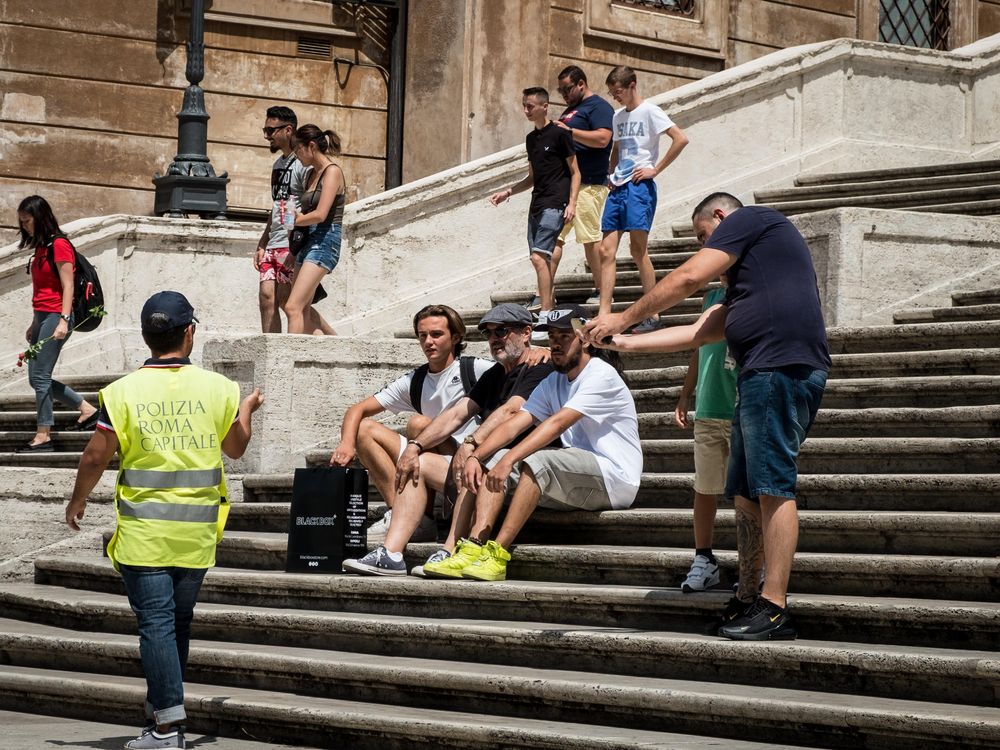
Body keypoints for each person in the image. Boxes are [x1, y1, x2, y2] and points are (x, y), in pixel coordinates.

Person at [582, 192, 830, 641]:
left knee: (772, 486)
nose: (703, 247)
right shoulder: (754, 280)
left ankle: (775, 607)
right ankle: (749, 596)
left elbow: (690, 276)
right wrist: (623, 343)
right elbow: (699, 332)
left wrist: (623, 317)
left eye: (703, 236)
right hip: (760, 372)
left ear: (720, 216)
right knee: (746, 495)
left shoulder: (751, 219)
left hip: (778, 367)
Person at [64, 291, 264, 749]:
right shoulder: (221, 389)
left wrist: (77, 500)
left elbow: (96, 455)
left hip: (144, 533)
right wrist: (247, 410)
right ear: (189, 331)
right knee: (176, 623)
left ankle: (168, 728)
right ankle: (162, 714)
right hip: (196, 531)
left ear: (145, 336)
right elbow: (235, 449)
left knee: (156, 624)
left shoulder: (121, 392)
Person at [427, 304, 642, 583]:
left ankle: (498, 555)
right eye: (551, 336)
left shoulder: (601, 375)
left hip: (614, 479)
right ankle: (472, 547)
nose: (555, 343)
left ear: (585, 339)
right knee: (491, 459)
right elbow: (516, 422)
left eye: (565, 336)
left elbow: (556, 425)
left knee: (534, 460)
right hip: (576, 473)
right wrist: (475, 456)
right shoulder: (553, 380)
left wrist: (509, 460)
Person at [341, 303, 555, 576]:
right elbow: (456, 414)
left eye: (501, 331)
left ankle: (450, 549)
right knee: (419, 461)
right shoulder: (495, 373)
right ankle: (392, 554)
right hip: (487, 465)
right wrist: (415, 447)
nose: (494, 338)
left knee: (473, 461)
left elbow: (511, 410)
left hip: (519, 467)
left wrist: (471, 444)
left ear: (526, 333)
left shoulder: (540, 367)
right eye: (489, 333)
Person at [329, 304, 495, 545]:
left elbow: (516, 373)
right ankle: (405, 515)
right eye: (423, 335)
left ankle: (413, 518)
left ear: (456, 337)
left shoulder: (474, 369)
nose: (428, 342)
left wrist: (535, 353)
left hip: (467, 462)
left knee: (418, 424)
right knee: (364, 429)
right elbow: (357, 410)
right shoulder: (415, 380)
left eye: (436, 334)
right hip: (431, 459)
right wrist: (346, 445)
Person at [597, 65, 689, 333]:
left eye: (618, 92)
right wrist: (610, 175)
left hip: (640, 187)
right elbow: (616, 149)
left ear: (632, 85)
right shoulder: (617, 117)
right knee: (605, 250)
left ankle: (653, 313)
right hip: (618, 187)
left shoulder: (650, 111)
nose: (616, 97)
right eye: (613, 93)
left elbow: (680, 139)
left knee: (638, 250)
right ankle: (604, 312)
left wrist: (655, 169)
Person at [490, 87, 581, 339]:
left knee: (539, 258)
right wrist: (507, 192)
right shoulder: (531, 140)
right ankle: (548, 312)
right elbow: (532, 177)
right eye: (524, 105)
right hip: (537, 203)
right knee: (541, 259)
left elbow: (576, 172)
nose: (526, 110)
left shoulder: (560, 134)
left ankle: (546, 313)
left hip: (556, 202)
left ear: (544, 106)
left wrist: (572, 202)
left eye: (530, 106)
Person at [16, 195, 98, 452]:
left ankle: (44, 434)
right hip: (42, 315)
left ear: (40, 218)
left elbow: (68, 286)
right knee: (36, 377)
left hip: (56, 315)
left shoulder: (60, 245)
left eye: (27, 221)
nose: (25, 227)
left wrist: (63, 319)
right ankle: (86, 409)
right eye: (22, 223)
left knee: (40, 376)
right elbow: (42, 289)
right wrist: (34, 323)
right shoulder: (42, 247)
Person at [675, 275, 738, 593]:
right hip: (710, 405)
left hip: (744, 406)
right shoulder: (713, 296)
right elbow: (700, 346)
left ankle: (757, 562)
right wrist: (687, 392)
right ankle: (704, 558)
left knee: (750, 491)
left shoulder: (755, 288)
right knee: (705, 486)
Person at [252, 105, 334, 335]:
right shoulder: (277, 165)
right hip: (274, 240)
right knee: (267, 298)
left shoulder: (304, 166)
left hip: (292, 241)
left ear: (288, 130)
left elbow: (311, 205)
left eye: (271, 131)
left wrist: (297, 245)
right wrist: (262, 241)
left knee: (291, 303)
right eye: (265, 130)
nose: (266, 136)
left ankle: (330, 339)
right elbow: (277, 204)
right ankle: (271, 351)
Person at [551, 65, 615, 305]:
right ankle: (544, 294)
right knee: (553, 238)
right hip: (565, 186)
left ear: (581, 83)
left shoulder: (598, 107)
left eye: (567, 89)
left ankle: (601, 290)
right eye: (560, 91)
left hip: (589, 183)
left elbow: (603, 139)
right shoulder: (571, 110)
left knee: (589, 238)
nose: (564, 94)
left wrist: (569, 131)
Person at [286, 124, 346, 335]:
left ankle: (288, 361)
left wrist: (296, 219)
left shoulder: (332, 172)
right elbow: (304, 212)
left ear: (310, 146)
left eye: (297, 150)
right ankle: (338, 345)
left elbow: (321, 214)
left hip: (325, 241)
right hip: (308, 241)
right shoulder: (310, 174)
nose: (296, 156)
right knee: (303, 311)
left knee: (293, 306)